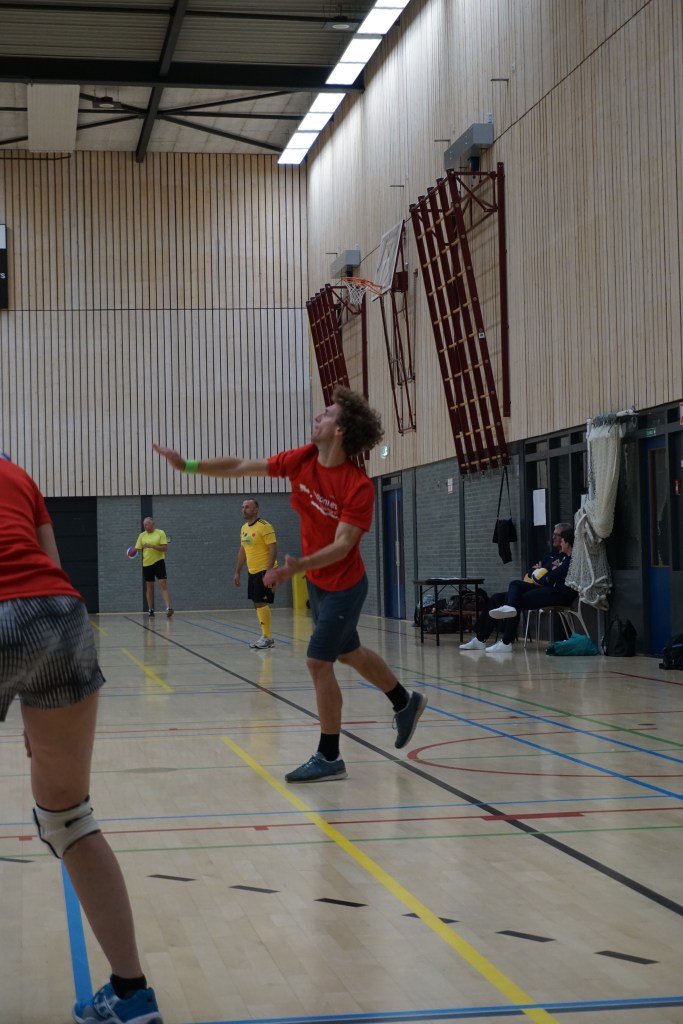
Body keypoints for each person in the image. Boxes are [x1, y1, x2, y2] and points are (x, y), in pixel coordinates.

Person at [154, 386, 427, 782]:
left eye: (327, 414)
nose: (318, 416)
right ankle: (404, 701)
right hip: (318, 582)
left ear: (341, 431)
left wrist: (294, 569)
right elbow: (241, 466)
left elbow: (343, 545)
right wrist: (189, 466)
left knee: (318, 662)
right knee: (348, 654)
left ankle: (330, 756)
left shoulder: (358, 487)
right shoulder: (304, 459)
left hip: (345, 587)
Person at [0, 456, 162, 1024]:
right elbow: (50, 564)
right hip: (57, 617)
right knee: (68, 820)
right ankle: (131, 995)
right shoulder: (18, 474)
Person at [460, 521, 572, 651]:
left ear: (566, 539)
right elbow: (532, 571)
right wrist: (542, 574)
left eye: (557, 535)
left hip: (553, 591)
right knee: (499, 596)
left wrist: (543, 574)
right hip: (540, 587)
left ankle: (506, 642)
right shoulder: (552, 555)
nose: (553, 537)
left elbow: (549, 577)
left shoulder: (568, 558)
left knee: (515, 601)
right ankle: (480, 639)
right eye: (553, 534)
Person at [234, 498, 278, 649]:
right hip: (252, 571)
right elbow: (243, 551)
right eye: (243, 507)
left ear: (256, 509)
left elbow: (273, 549)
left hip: (264, 570)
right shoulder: (244, 528)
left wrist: (269, 571)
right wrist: (237, 571)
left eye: (247, 507)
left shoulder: (265, 526)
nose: (244, 509)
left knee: (261, 602)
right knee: (256, 602)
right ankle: (266, 636)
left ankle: (267, 637)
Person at [134, 517, 173, 618]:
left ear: (152, 524)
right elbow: (137, 549)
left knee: (163, 583)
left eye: (147, 524)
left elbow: (165, 548)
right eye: (144, 525)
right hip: (147, 564)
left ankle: (168, 608)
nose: (145, 526)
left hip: (159, 562)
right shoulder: (141, 535)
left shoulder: (160, 533)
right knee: (149, 586)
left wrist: (152, 546)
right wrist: (132, 552)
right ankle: (150, 609)